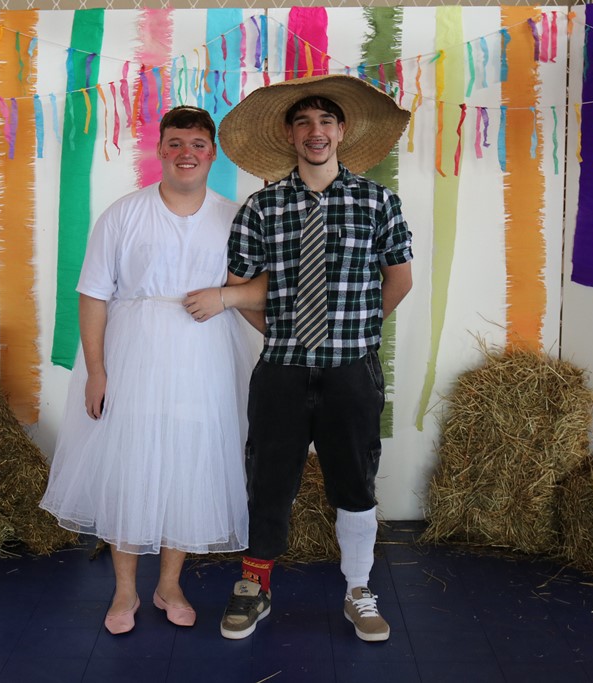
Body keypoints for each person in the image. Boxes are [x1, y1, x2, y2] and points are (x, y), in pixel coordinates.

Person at [40, 106, 265, 635]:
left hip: (204, 358)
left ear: (213, 153)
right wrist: (96, 371)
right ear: (161, 150)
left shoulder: (234, 217)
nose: (187, 153)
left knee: (189, 462)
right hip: (134, 353)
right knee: (131, 461)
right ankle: (124, 590)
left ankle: (169, 584)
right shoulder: (125, 213)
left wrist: (224, 296)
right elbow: (93, 294)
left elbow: (261, 287)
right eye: (176, 143)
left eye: (198, 144)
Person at [213, 74, 414, 643]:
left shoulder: (377, 202)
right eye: (303, 122)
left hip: (352, 370)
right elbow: (239, 289)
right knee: (269, 478)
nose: (315, 131)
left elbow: (399, 279)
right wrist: (286, 333)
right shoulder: (263, 207)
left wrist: (357, 332)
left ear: (342, 131)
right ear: (289, 134)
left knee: (355, 480)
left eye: (326, 120)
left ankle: (359, 589)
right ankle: (254, 585)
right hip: (282, 370)